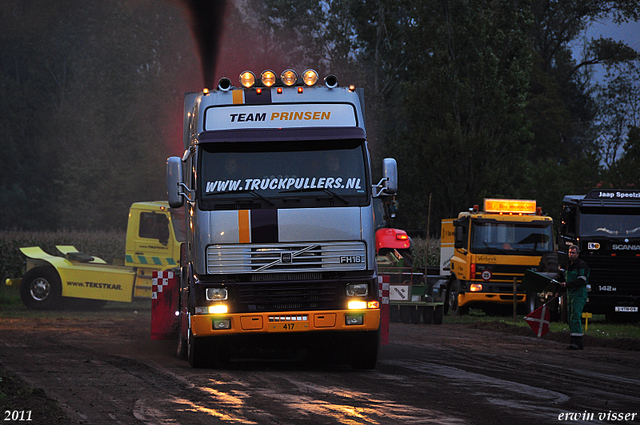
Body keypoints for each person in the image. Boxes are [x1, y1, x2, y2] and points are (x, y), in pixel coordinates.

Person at [559, 245, 590, 350]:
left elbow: (581, 281)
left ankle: (578, 341)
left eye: (573, 253)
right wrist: (560, 291)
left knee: (575, 316)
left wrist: (567, 285)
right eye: (570, 253)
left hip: (579, 293)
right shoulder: (568, 265)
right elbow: (566, 281)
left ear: (578, 254)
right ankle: (573, 340)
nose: (571, 255)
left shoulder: (582, 265)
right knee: (570, 317)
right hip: (570, 293)